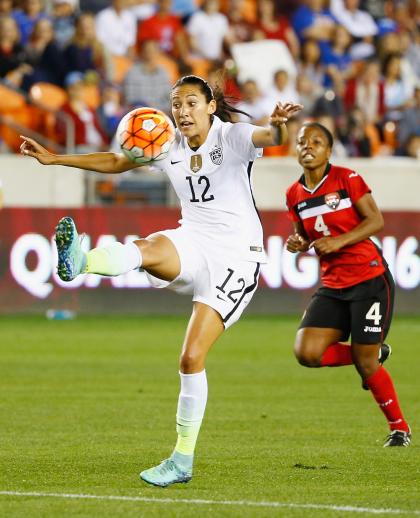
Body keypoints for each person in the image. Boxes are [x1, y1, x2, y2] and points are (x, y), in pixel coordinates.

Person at [20, 74, 303, 487]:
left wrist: (278, 123)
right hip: (192, 238)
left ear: (209, 106)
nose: (182, 111)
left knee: (190, 359)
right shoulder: (166, 142)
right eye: (176, 104)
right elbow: (119, 161)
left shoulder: (232, 138)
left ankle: (182, 459)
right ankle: (80, 262)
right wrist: (56, 159)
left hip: (236, 258)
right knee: (147, 248)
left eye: (191, 103)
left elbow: (269, 136)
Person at [285, 122, 411, 448]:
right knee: (306, 352)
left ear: (329, 151)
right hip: (333, 284)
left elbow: (376, 220)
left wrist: (340, 241)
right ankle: (371, 352)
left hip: (369, 279)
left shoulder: (347, 179)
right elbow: (307, 233)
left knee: (366, 363)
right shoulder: (294, 194)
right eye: (302, 142)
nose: (308, 147)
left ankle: (400, 429)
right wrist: (299, 242)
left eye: (316, 142)